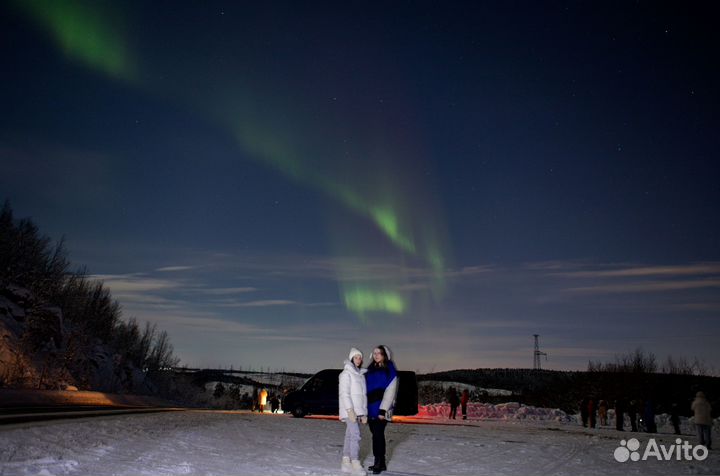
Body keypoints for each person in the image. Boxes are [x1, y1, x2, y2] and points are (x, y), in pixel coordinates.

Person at [366, 345, 398, 475]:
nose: (376, 355)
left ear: (385, 355)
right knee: (375, 435)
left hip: (381, 408)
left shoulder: (389, 369)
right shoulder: (370, 369)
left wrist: (383, 410)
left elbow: (390, 391)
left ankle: (379, 462)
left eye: (379, 353)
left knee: (378, 435)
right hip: (370, 407)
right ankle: (381, 462)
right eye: (374, 353)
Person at [339, 347, 368, 475]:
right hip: (348, 411)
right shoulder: (346, 374)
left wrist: (363, 413)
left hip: (357, 412)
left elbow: (362, 396)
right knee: (356, 435)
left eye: (360, 357)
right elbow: (344, 393)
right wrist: (350, 410)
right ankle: (355, 462)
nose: (358, 359)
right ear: (351, 358)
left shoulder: (360, 375)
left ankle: (346, 461)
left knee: (350, 435)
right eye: (356, 357)